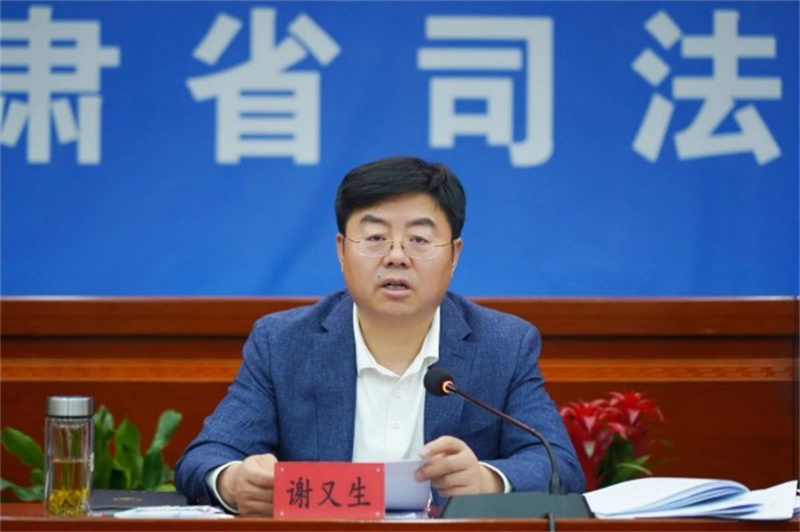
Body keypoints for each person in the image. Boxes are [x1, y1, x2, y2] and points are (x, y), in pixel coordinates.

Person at [174, 156, 584, 515]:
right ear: (341, 250)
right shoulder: (282, 343)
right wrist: (233, 481)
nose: (396, 256)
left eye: (419, 239)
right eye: (375, 238)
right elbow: (207, 456)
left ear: (454, 254)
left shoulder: (503, 345)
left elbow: (558, 465)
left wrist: (486, 480)